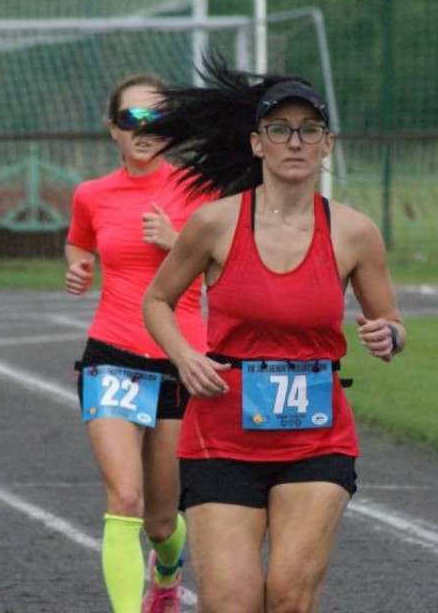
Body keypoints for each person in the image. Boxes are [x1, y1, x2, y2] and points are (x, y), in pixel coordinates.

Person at [142, 58, 406, 613]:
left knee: (289, 596)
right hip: (222, 437)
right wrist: (185, 356)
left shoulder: (355, 232)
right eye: (280, 130)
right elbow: (159, 300)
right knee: (231, 603)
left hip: (317, 439)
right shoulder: (214, 223)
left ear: (327, 145)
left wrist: (388, 337)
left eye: (309, 131)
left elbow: (393, 326)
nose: (295, 142)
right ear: (258, 144)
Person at [64, 73, 210, 613]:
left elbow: (232, 268)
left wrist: (181, 244)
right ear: (113, 130)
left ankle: (166, 573)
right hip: (112, 357)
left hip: (179, 358)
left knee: (161, 520)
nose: (144, 131)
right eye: (132, 120)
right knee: (124, 498)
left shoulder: (202, 190)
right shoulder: (92, 195)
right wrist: (78, 270)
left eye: (156, 121)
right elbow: (78, 242)